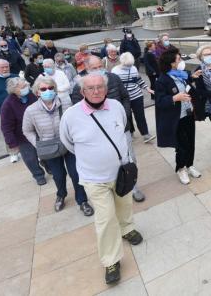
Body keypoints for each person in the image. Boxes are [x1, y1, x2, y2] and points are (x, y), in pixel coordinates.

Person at [59, 73, 144, 285]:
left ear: (105, 89)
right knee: (105, 219)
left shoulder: (116, 106)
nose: (96, 91)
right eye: (90, 88)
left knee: (124, 205)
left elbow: (122, 128)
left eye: (99, 87)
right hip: (94, 178)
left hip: (121, 172)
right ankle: (111, 260)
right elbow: (68, 143)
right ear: (82, 92)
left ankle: (127, 229)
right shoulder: (70, 116)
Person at [70, 56, 145, 202]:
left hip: (122, 128)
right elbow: (79, 113)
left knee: (129, 158)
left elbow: (125, 98)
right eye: (94, 68)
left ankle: (132, 186)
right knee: (107, 160)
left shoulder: (114, 78)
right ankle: (110, 187)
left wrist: (123, 116)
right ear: (87, 69)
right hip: (99, 134)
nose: (99, 70)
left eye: (100, 66)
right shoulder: (80, 86)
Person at [23, 76, 94, 216]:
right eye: (43, 89)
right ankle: (61, 194)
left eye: (50, 88)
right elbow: (27, 130)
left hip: (69, 144)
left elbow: (77, 121)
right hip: (49, 148)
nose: (47, 91)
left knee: (76, 173)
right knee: (58, 175)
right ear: (37, 92)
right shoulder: (31, 110)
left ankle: (82, 201)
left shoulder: (66, 103)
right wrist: (37, 144)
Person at [155, 48, 203, 185]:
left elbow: (187, 85)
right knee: (181, 146)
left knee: (191, 142)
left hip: (188, 114)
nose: (181, 61)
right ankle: (180, 168)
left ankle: (190, 165)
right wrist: (175, 98)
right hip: (177, 118)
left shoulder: (181, 75)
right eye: (178, 59)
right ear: (171, 63)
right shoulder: (162, 80)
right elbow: (159, 101)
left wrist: (193, 76)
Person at [0, 77, 47, 183]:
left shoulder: (32, 95)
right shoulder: (8, 104)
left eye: (26, 85)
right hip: (22, 136)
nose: (27, 88)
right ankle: (38, 175)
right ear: (14, 89)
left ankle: (48, 165)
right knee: (30, 158)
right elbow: (6, 126)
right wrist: (11, 143)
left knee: (46, 151)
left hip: (39, 131)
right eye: (23, 86)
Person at [112, 52, 155, 144]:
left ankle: (145, 134)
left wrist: (148, 88)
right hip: (124, 98)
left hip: (137, 95)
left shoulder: (133, 68)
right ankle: (130, 132)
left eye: (130, 64)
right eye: (127, 65)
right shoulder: (115, 71)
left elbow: (139, 80)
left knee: (140, 116)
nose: (129, 66)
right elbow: (114, 85)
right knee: (127, 115)